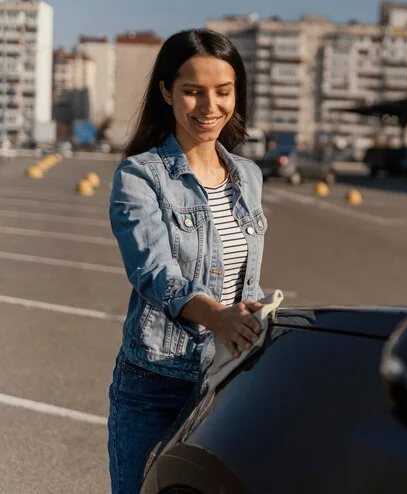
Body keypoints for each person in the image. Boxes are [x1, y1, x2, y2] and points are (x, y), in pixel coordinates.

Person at [107, 28, 268, 494]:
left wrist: (257, 316)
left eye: (223, 91)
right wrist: (217, 316)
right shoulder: (140, 175)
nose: (209, 106)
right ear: (166, 92)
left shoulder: (249, 177)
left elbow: (244, 279)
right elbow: (154, 274)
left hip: (224, 381)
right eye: (193, 92)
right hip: (154, 382)